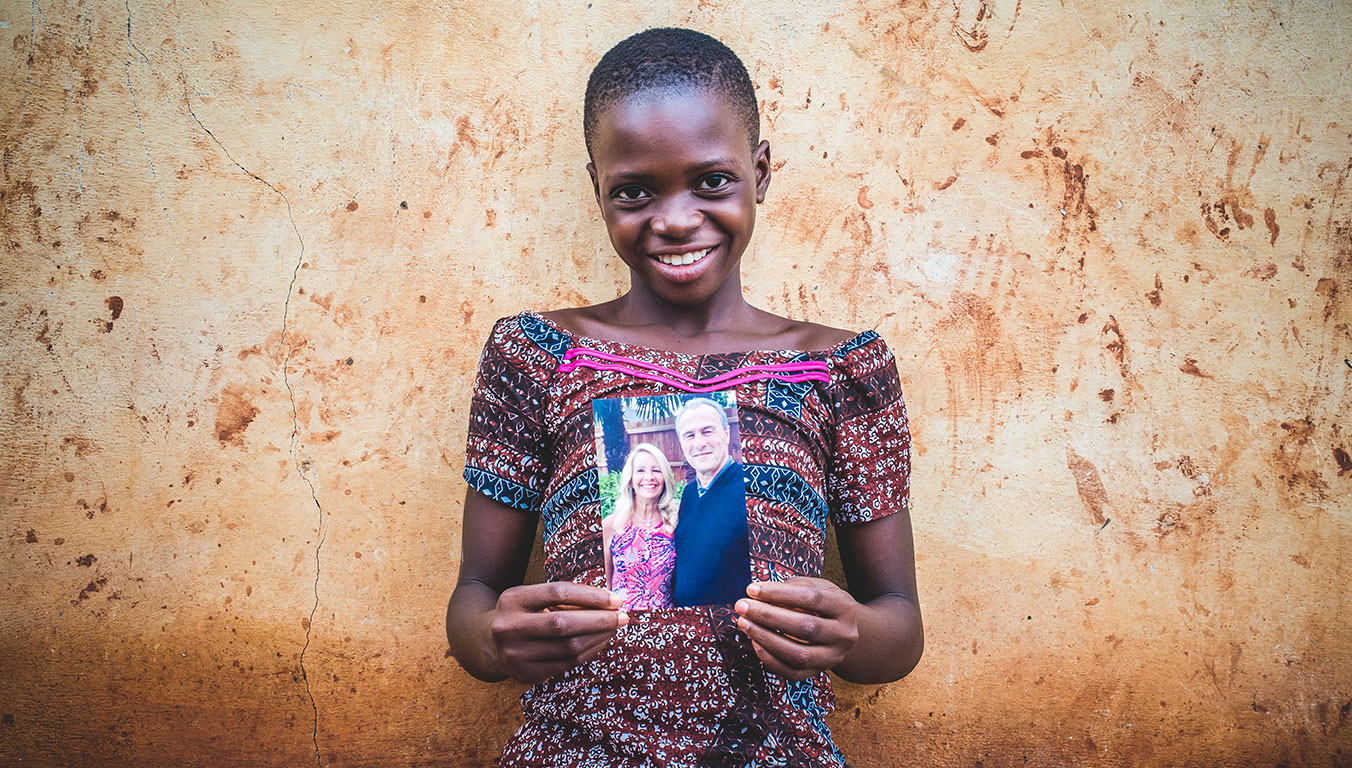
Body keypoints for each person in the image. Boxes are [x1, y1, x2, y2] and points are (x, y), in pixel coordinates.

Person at [447, 27, 922, 767]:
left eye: (711, 181)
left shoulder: (839, 368)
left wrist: (852, 634)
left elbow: (899, 628)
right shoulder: (539, 355)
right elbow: (475, 599)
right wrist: (492, 639)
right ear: (597, 187)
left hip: (774, 751)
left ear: (759, 172)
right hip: (574, 750)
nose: (674, 219)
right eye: (635, 190)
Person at [670, 398, 751, 607]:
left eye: (707, 431)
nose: (699, 443)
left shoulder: (749, 489)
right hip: (685, 626)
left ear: (726, 435)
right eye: (689, 435)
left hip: (732, 629)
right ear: (682, 444)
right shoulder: (689, 493)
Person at [603, 443, 678, 611]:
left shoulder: (675, 523)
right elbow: (605, 587)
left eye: (656, 470)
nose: (649, 477)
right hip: (622, 624)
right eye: (641, 470)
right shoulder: (611, 525)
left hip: (665, 623)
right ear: (630, 480)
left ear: (664, 477)